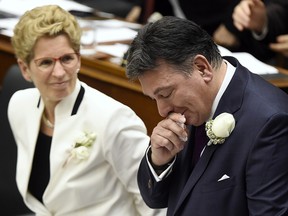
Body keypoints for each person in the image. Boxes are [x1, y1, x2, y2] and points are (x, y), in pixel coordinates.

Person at [8, 5, 166, 216]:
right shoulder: (20, 105)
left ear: (79, 59)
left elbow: (153, 203)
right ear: (25, 69)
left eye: (67, 59)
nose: (59, 73)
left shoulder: (113, 118)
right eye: (46, 63)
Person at [125, 16, 288, 215]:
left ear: (202, 68)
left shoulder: (271, 122)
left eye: (166, 94)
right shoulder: (191, 107)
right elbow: (155, 198)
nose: (162, 110)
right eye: (154, 98)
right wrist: (160, 161)